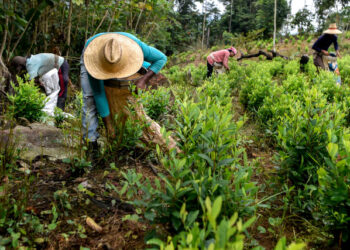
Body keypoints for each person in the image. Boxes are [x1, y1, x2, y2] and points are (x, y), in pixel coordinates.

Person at [80, 32, 167, 153]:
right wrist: (109, 126)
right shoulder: (92, 59)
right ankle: (91, 144)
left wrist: (143, 80)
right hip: (92, 54)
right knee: (89, 98)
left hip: (125, 52)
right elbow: (99, 93)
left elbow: (161, 58)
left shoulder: (135, 46)